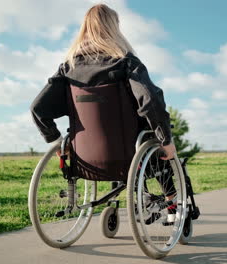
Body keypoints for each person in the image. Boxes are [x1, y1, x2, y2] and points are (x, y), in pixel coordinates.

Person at [30, 4, 176, 204]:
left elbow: (38, 108)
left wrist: (56, 141)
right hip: (129, 153)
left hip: (85, 159)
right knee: (155, 138)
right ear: (114, 28)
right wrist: (166, 140)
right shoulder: (126, 63)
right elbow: (150, 101)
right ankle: (173, 202)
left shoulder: (68, 68)